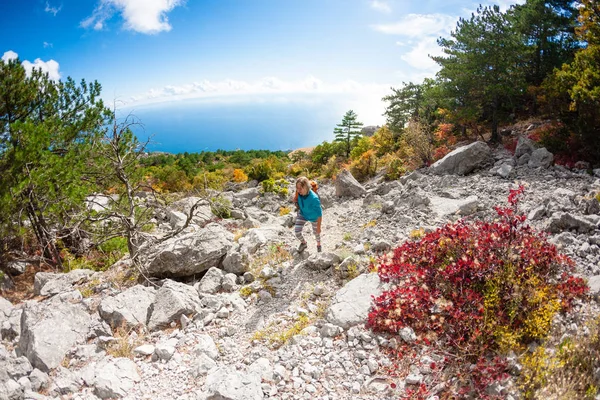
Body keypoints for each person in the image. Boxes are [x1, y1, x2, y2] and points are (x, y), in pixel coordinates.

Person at [293, 176, 322, 253]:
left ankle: (318, 245)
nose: (298, 190)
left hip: (314, 217)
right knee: (297, 232)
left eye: (300, 188)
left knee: (316, 233)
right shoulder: (299, 193)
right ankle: (304, 243)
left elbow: (319, 214)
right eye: (297, 188)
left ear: (306, 187)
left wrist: (319, 227)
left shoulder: (314, 199)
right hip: (302, 214)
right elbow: (295, 199)